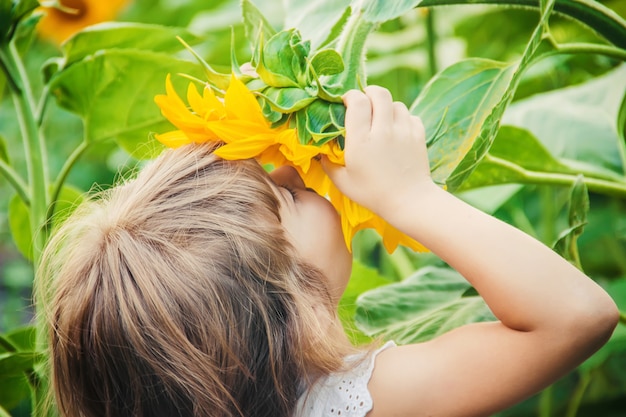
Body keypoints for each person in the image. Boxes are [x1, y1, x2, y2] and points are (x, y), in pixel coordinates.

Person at [40, 86, 619, 417]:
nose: (300, 169)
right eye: (288, 196)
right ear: (293, 311)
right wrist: (410, 197)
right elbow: (576, 317)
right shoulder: (352, 404)